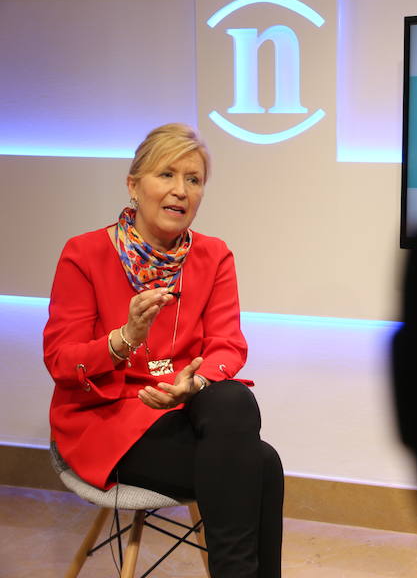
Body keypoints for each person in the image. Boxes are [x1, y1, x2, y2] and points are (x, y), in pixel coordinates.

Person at [43, 123, 283, 577]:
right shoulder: (84, 253)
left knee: (233, 397)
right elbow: (61, 360)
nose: (181, 191)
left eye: (193, 179)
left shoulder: (214, 256)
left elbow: (228, 344)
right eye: (166, 175)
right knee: (261, 465)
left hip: (185, 409)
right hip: (109, 419)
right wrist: (124, 339)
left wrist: (194, 384)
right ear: (134, 185)